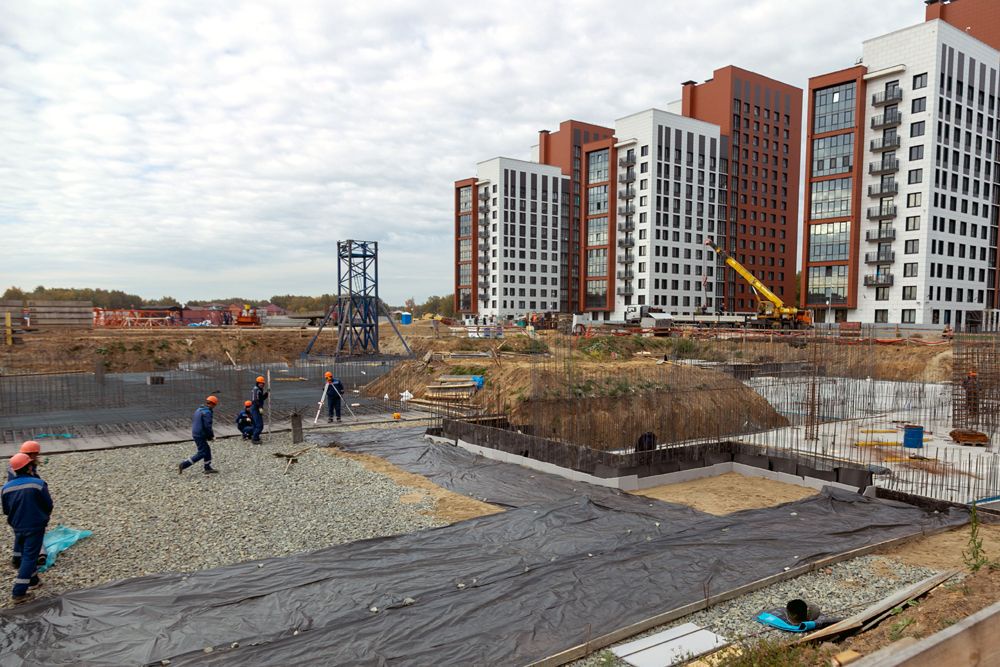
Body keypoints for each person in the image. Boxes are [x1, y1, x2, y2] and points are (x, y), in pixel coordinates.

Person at [2, 453, 53, 603]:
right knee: (30, 556)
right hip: (35, 525)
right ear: (29, 467)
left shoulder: (5, 488)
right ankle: (18, 592)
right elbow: (48, 504)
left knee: (23, 550)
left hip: (17, 525)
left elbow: (6, 509)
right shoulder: (38, 484)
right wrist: (43, 516)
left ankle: (33, 580)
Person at [7, 442, 47, 568]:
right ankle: (33, 560)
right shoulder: (24, 467)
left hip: (16, 504)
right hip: (25, 503)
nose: (37, 456)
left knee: (20, 533)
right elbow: (31, 482)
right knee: (31, 531)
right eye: (36, 454)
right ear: (32, 454)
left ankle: (17, 559)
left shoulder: (17, 462)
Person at [179, 396, 219, 475]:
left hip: (196, 432)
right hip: (200, 434)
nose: (214, 407)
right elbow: (207, 426)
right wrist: (211, 436)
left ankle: (207, 467)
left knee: (207, 449)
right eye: (215, 405)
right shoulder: (207, 412)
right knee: (202, 452)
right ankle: (184, 465)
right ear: (213, 404)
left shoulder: (199, 409)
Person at [250, 376, 268, 444]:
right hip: (255, 408)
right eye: (260, 383)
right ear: (257, 383)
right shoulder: (256, 390)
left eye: (262, 383)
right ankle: (254, 438)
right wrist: (260, 407)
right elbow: (255, 400)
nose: (262, 384)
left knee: (255, 425)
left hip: (256, 408)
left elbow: (261, 398)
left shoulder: (259, 390)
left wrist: (266, 394)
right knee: (259, 425)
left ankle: (255, 436)